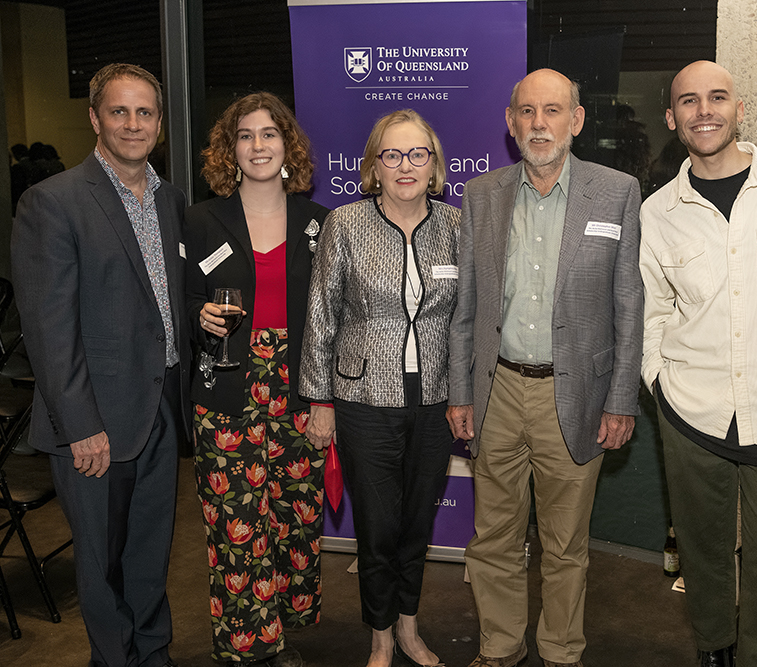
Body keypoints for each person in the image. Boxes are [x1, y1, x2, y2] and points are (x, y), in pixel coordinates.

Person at [447, 68, 643, 667]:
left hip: (576, 392)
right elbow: (466, 306)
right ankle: (500, 647)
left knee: (565, 544)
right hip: (497, 389)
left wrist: (620, 399)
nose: (540, 124)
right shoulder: (480, 195)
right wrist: (460, 393)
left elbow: (628, 303)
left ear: (576, 121)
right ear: (510, 124)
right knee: (494, 538)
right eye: (527, 113)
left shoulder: (616, 191)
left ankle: (561, 652)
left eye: (553, 111)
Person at [638, 60, 757, 667]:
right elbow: (653, 309)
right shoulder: (658, 211)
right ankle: (713, 650)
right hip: (692, 407)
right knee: (703, 549)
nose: (704, 110)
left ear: (740, 108)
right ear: (672, 119)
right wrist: (658, 382)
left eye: (717, 97)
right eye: (689, 101)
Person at [10, 63, 188, 667]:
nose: (133, 124)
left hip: (161, 405)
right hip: (96, 421)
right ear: (94, 118)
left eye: (145, 113)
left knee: (148, 550)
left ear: (159, 124)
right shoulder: (52, 203)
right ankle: (113, 660)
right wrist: (80, 423)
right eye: (120, 111)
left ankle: (153, 654)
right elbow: (48, 329)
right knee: (101, 560)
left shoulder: (169, 198)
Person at [300, 109, 460, 667]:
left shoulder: (456, 227)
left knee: (418, 522)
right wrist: (320, 400)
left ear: (435, 166)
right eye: (392, 155)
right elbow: (321, 316)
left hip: (436, 402)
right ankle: (381, 635)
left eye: (418, 154)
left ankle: (410, 625)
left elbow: (465, 320)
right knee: (378, 528)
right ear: (373, 166)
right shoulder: (345, 224)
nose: (406, 165)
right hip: (364, 401)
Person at [185, 92, 331, 667]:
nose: (258, 145)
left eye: (269, 134)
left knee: (295, 516)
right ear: (230, 149)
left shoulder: (321, 223)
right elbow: (184, 297)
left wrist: (327, 400)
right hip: (226, 387)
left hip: (300, 385)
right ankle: (252, 647)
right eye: (245, 135)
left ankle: (283, 623)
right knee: (237, 522)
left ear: (287, 145)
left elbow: (335, 318)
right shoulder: (200, 219)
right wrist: (200, 315)